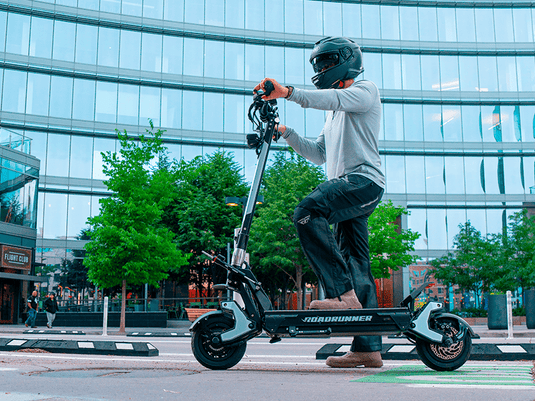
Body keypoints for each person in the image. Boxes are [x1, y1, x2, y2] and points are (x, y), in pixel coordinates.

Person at [254, 37, 384, 368]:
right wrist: (285, 132)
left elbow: (334, 99)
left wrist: (288, 93)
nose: (322, 70)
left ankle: (342, 295)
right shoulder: (334, 114)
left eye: (326, 64)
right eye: (319, 66)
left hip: (362, 181)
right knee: (357, 262)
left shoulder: (365, 91)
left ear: (345, 61)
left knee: (306, 212)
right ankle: (367, 347)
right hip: (348, 189)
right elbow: (319, 154)